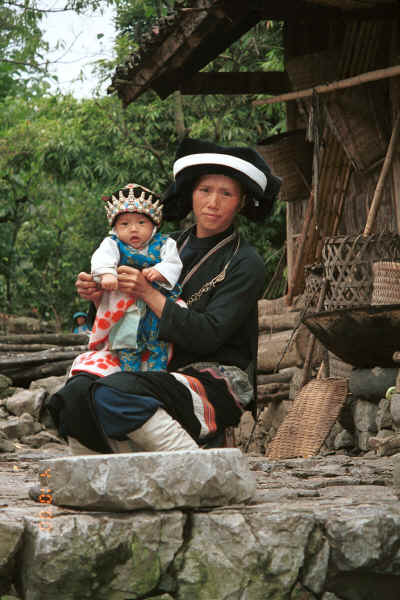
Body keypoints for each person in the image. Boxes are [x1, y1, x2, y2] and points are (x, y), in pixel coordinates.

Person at [48, 137, 281, 455]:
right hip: (149, 366)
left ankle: (193, 466)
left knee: (115, 393)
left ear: (241, 202)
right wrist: (99, 295)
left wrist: (146, 291)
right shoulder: (163, 246)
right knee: (72, 396)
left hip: (214, 376)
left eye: (225, 193)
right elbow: (123, 310)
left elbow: (209, 336)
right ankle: (113, 476)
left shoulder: (244, 261)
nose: (213, 202)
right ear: (192, 195)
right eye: (205, 191)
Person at [70, 183, 183, 376]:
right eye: (125, 224)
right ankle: (128, 375)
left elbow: (173, 263)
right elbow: (102, 259)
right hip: (124, 307)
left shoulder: (166, 243)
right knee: (126, 341)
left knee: (158, 342)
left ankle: (157, 376)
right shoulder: (112, 244)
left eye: (141, 223)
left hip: (157, 306)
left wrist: (160, 272)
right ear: (115, 227)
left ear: (154, 224)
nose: (133, 229)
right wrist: (107, 274)